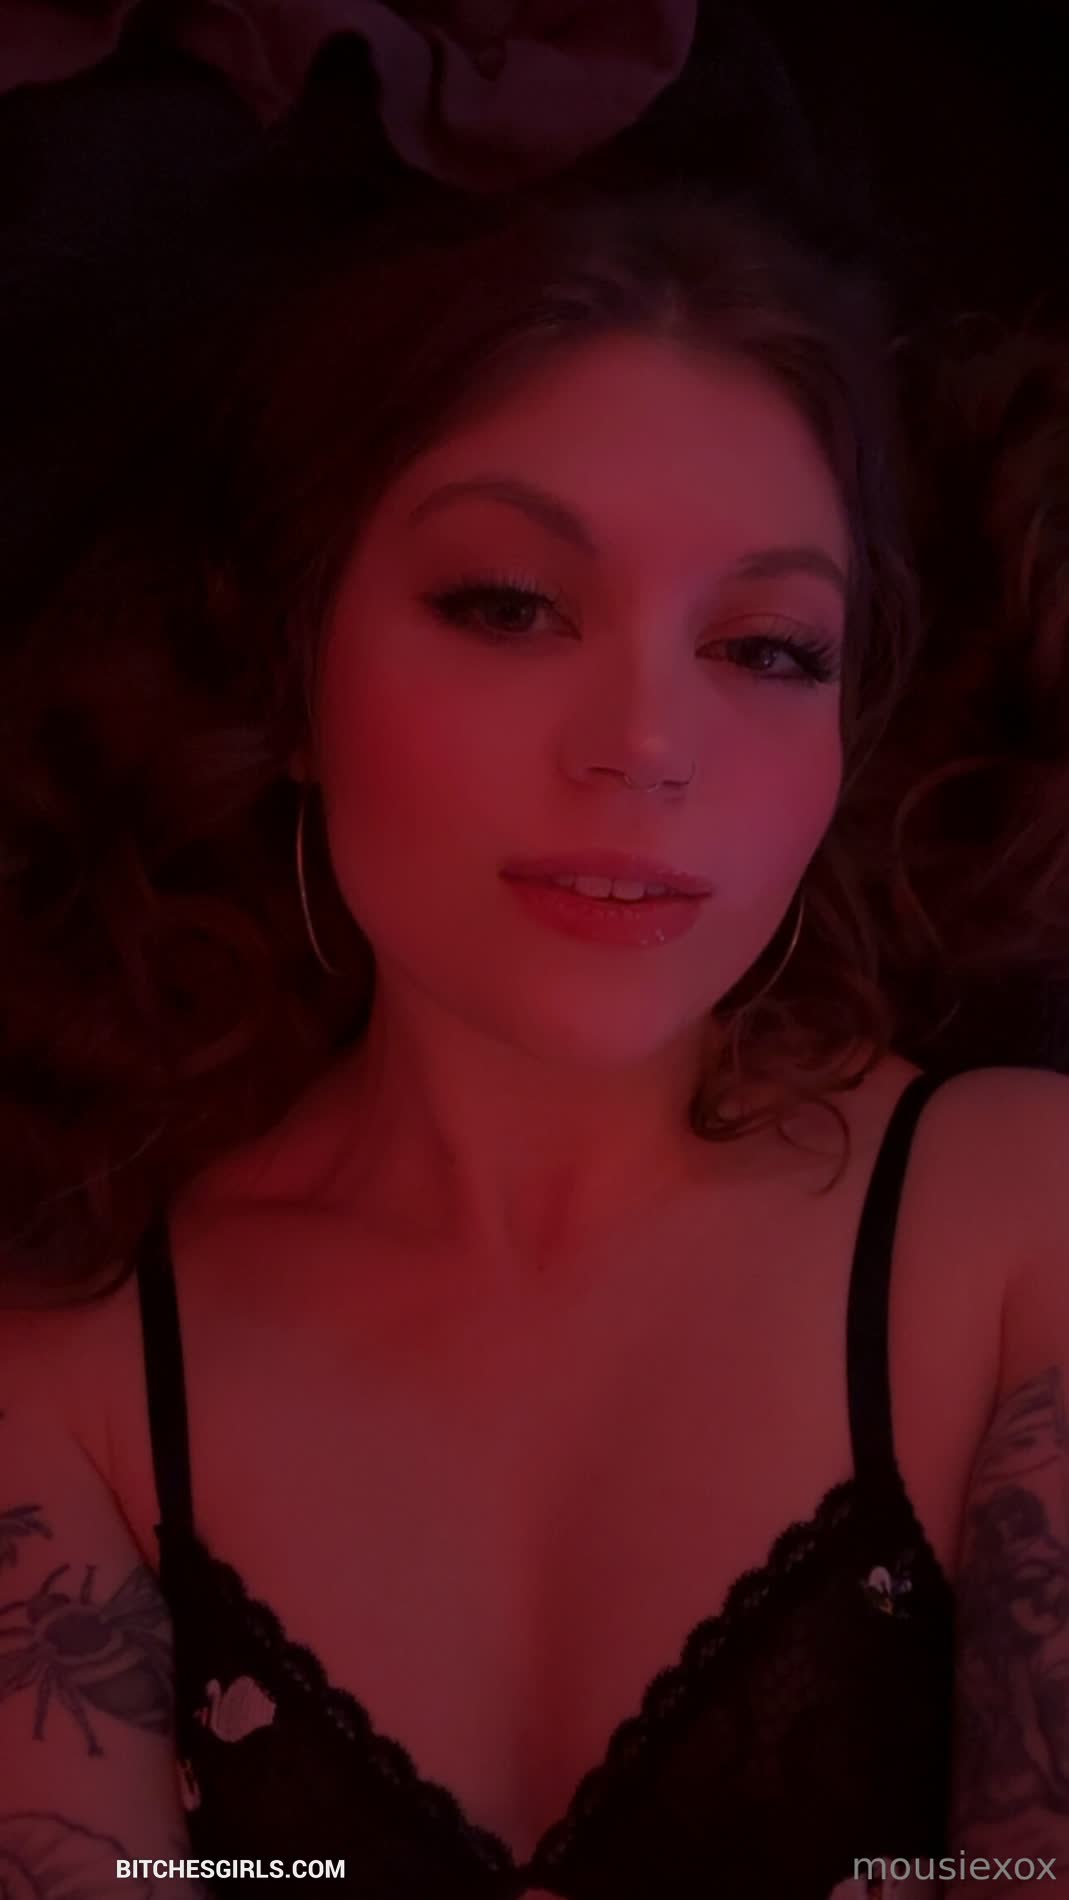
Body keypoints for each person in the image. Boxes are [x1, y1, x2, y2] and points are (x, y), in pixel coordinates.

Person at [2, 13, 1069, 1900]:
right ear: (290, 676)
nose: (644, 744)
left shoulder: (1022, 1233)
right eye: (507, 604)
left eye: (765, 648)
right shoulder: (66, 1368)